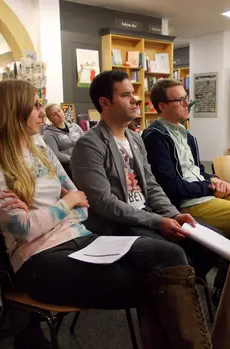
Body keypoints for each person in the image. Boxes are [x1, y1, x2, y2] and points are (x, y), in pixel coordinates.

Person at [0, 79, 212, 349]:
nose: (43, 113)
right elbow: (25, 229)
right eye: (35, 106)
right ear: (14, 111)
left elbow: (83, 206)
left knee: (169, 256)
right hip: (38, 258)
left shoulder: (40, 149)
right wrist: (66, 202)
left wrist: (54, 207)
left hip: (82, 238)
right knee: (151, 283)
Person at [71, 71, 220, 288]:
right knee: (175, 257)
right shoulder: (89, 145)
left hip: (148, 216)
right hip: (116, 225)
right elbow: (103, 202)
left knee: (209, 241)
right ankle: (171, 298)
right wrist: (158, 221)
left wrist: (173, 214)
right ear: (105, 102)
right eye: (125, 95)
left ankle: (173, 294)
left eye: (134, 93)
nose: (135, 99)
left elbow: (151, 185)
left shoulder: (135, 139)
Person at [143, 79, 230, 238]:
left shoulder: (187, 135)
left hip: (205, 193)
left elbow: (198, 170)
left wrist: (215, 180)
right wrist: (209, 186)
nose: (187, 104)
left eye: (187, 98)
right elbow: (171, 187)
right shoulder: (155, 138)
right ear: (162, 106)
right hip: (191, 203)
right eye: (180, 100)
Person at [43, 103, 83, 176]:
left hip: (82, 159)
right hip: (66, 164)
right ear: (50, 119)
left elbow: (86, 143)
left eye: (59, 111)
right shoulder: (48, 134)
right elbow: (55, 154)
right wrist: (72, 159)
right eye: (54, 114)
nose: (59, 114)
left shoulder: (75, 127)